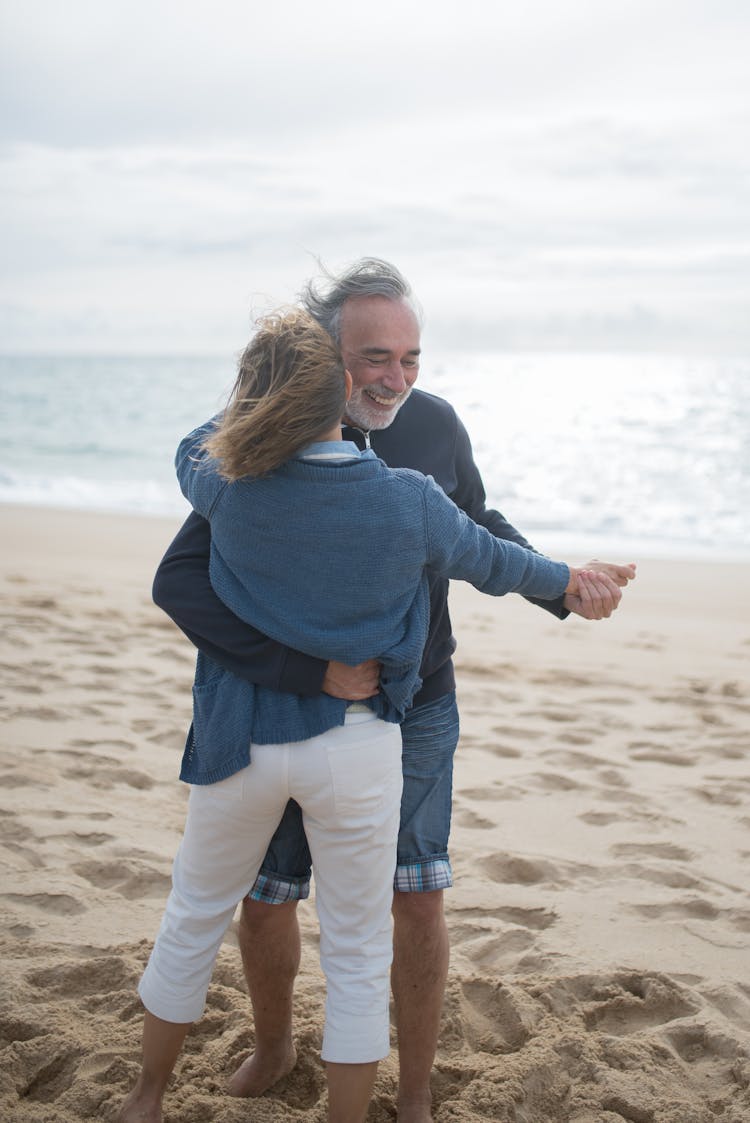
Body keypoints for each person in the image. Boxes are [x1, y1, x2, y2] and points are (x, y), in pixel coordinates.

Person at [152, 260, 635, 1123]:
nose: (396, 379)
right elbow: (184, 583)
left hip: (411, 704)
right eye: (375, 357)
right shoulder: (252, 444)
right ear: (321, 356)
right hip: (275, 706)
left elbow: (481, 535)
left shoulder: (435, 430)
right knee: (266, 900)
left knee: (415, 895)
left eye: (411, 357)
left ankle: (413, 1092)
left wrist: (564, 585)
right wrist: (301, 673)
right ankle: (273, 1045)